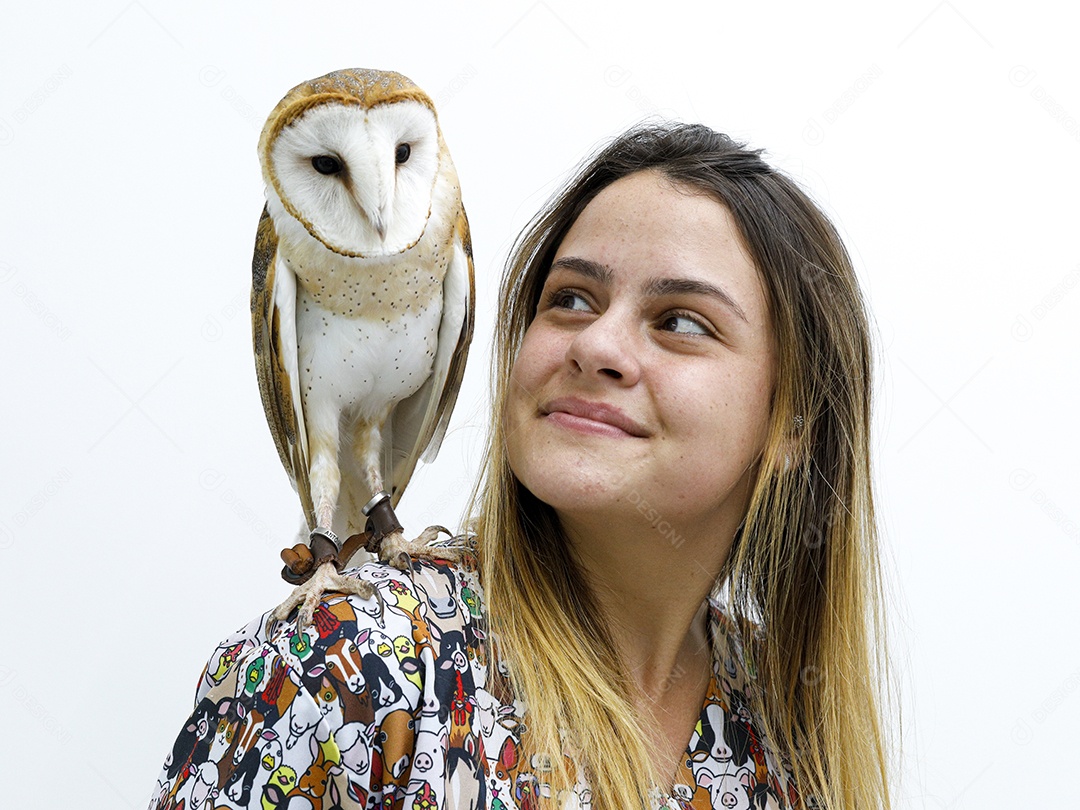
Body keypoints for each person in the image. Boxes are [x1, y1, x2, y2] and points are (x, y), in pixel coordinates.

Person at [148, 123, 892, 810]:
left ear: (794, 419)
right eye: (570, 298)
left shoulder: (789, 727)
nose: (596, 345)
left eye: (680, 322)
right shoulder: (345, 665)